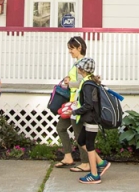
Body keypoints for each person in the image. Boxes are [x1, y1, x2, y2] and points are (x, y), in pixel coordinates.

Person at [62, 58, 111, 184]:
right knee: (81, 141)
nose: (77, 69)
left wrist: (73, 111)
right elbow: (88, 102)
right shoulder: (88, 82)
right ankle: (101, 163)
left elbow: (89, 105)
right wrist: (77, 103)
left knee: (89, 145)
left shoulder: (88, 84)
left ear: (82, 69)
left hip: (91, 119)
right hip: (89, 118)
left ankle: (94, 175)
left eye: (78, 67)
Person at [54, 36, 90, 173]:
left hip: (78, 103)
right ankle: (68, 156)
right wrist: (68, 79)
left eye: (71, 48)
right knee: (61, 128)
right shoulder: (76, 63)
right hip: (71, 102)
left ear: (79, 48)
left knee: (79, 133)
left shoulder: (82, 64)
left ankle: (86, 163)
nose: (70, 51)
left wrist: (70, 83)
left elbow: (84, 82)